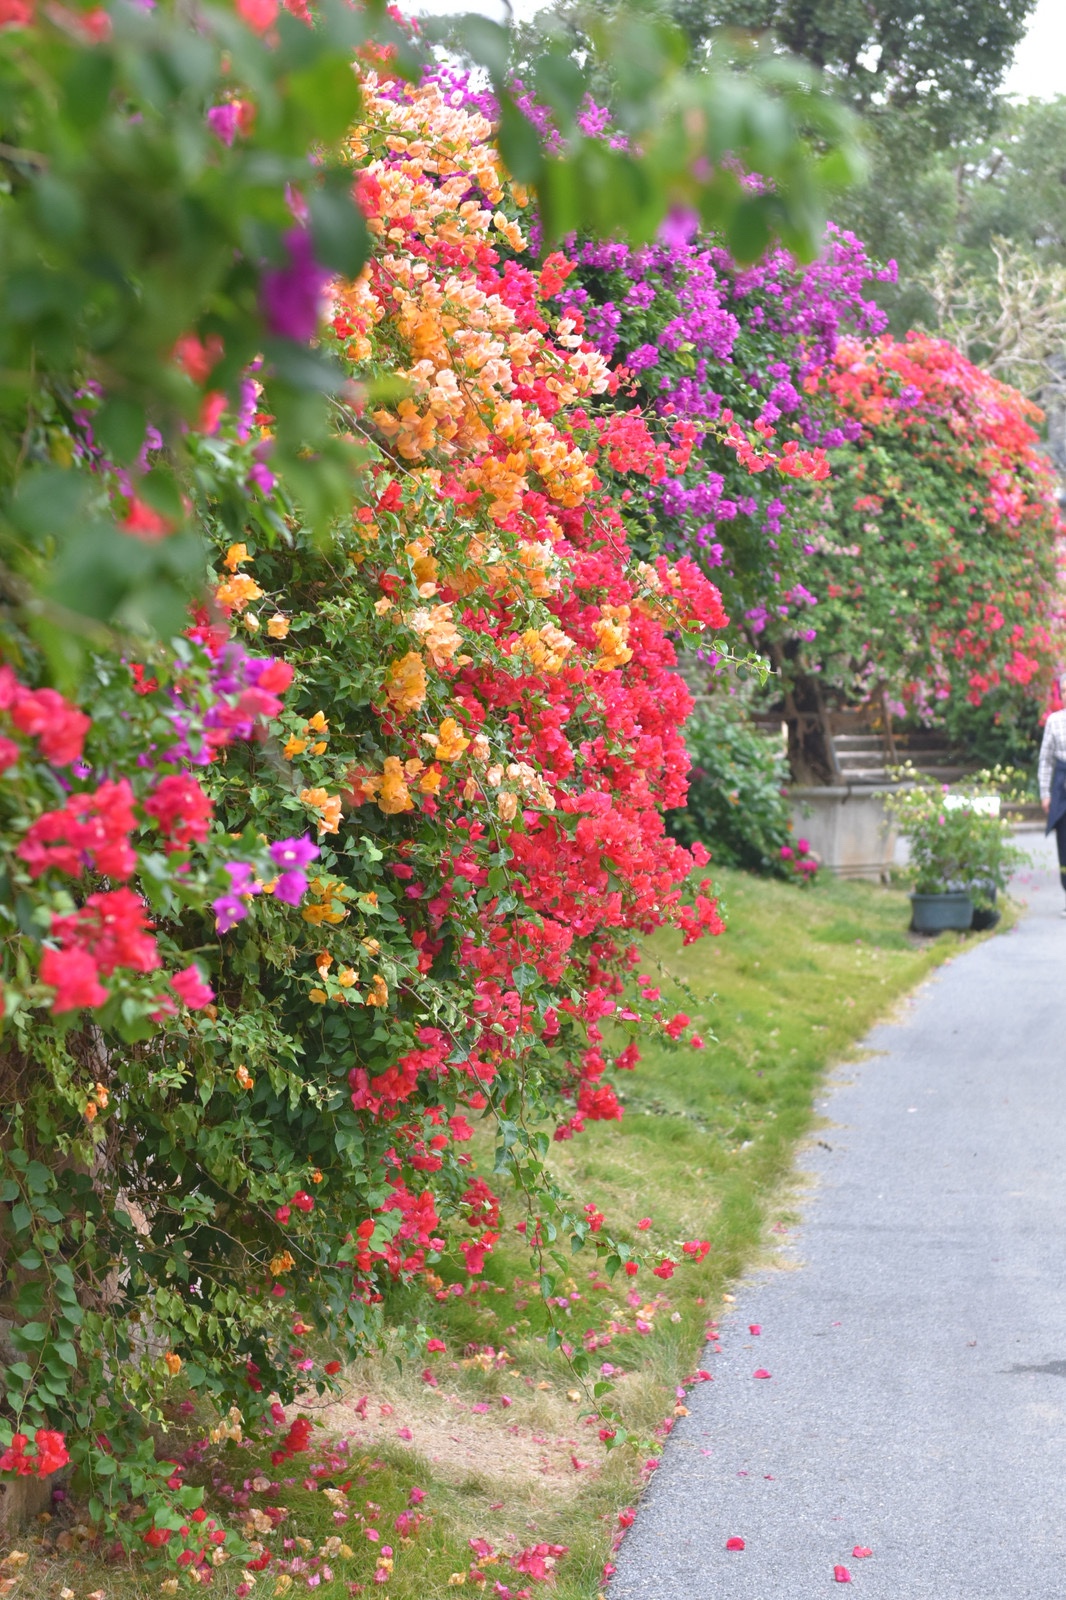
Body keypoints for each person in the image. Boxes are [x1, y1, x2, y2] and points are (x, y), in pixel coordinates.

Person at [1038, 695, 1066, 913]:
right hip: (1061, 789)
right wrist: (1045, 793)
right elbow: (1046, 760)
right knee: (1064, 845)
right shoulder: (1054, 721)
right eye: (1064, 690)